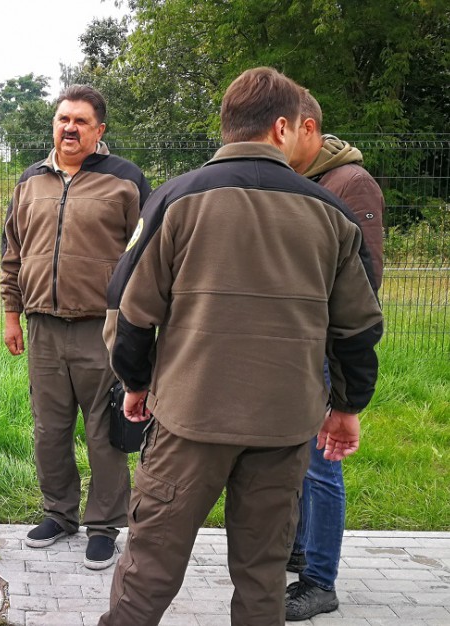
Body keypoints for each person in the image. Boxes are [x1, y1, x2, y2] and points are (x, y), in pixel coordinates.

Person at [98, 67, 383, 625]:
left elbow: (128, 310)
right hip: (283, 428)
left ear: (228, 126)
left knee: (149, 572)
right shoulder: (332, 214)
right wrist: (347, 406)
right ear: (282, 127)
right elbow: (359, 327)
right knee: (263, 577)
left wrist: (136, 382)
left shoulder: (175, 200)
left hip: (188, 420)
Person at [0, 85, 151, 570]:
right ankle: (59, 514)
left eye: (81, 121)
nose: (69, 128)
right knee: (49, 430)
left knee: (105, 431)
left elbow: (146, 257)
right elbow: (13, 253)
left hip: (102, 330)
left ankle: (104, 526)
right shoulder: (30, 181)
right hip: (42, 326)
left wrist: (137, 325)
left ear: (99, 130)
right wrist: (11, 313)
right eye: (63, 119)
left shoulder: (125, 181)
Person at [284, 90, 385, 621]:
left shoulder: (350, 182)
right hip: (299, 348)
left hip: (328, 350)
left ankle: (319, 580)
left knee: (323, 467)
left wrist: (342, 364)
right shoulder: (308, 181)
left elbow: (364, 283)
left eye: (283, 130)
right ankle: (300, 551)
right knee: (301, 462)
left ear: (307, 128)